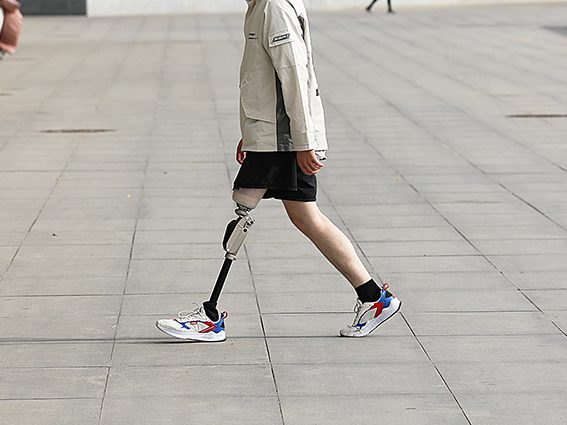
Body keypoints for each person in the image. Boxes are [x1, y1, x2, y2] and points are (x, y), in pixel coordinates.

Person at [156, 0, 401, 342]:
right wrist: (251, 133)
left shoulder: (273, 7)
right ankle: (373, 297)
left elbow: (295, 77)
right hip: (273, 134)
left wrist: (304, 142)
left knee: (244, 209)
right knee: (306, 217)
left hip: (281, 139)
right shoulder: (261, 5)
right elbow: (267, 81)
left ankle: (210, 317)